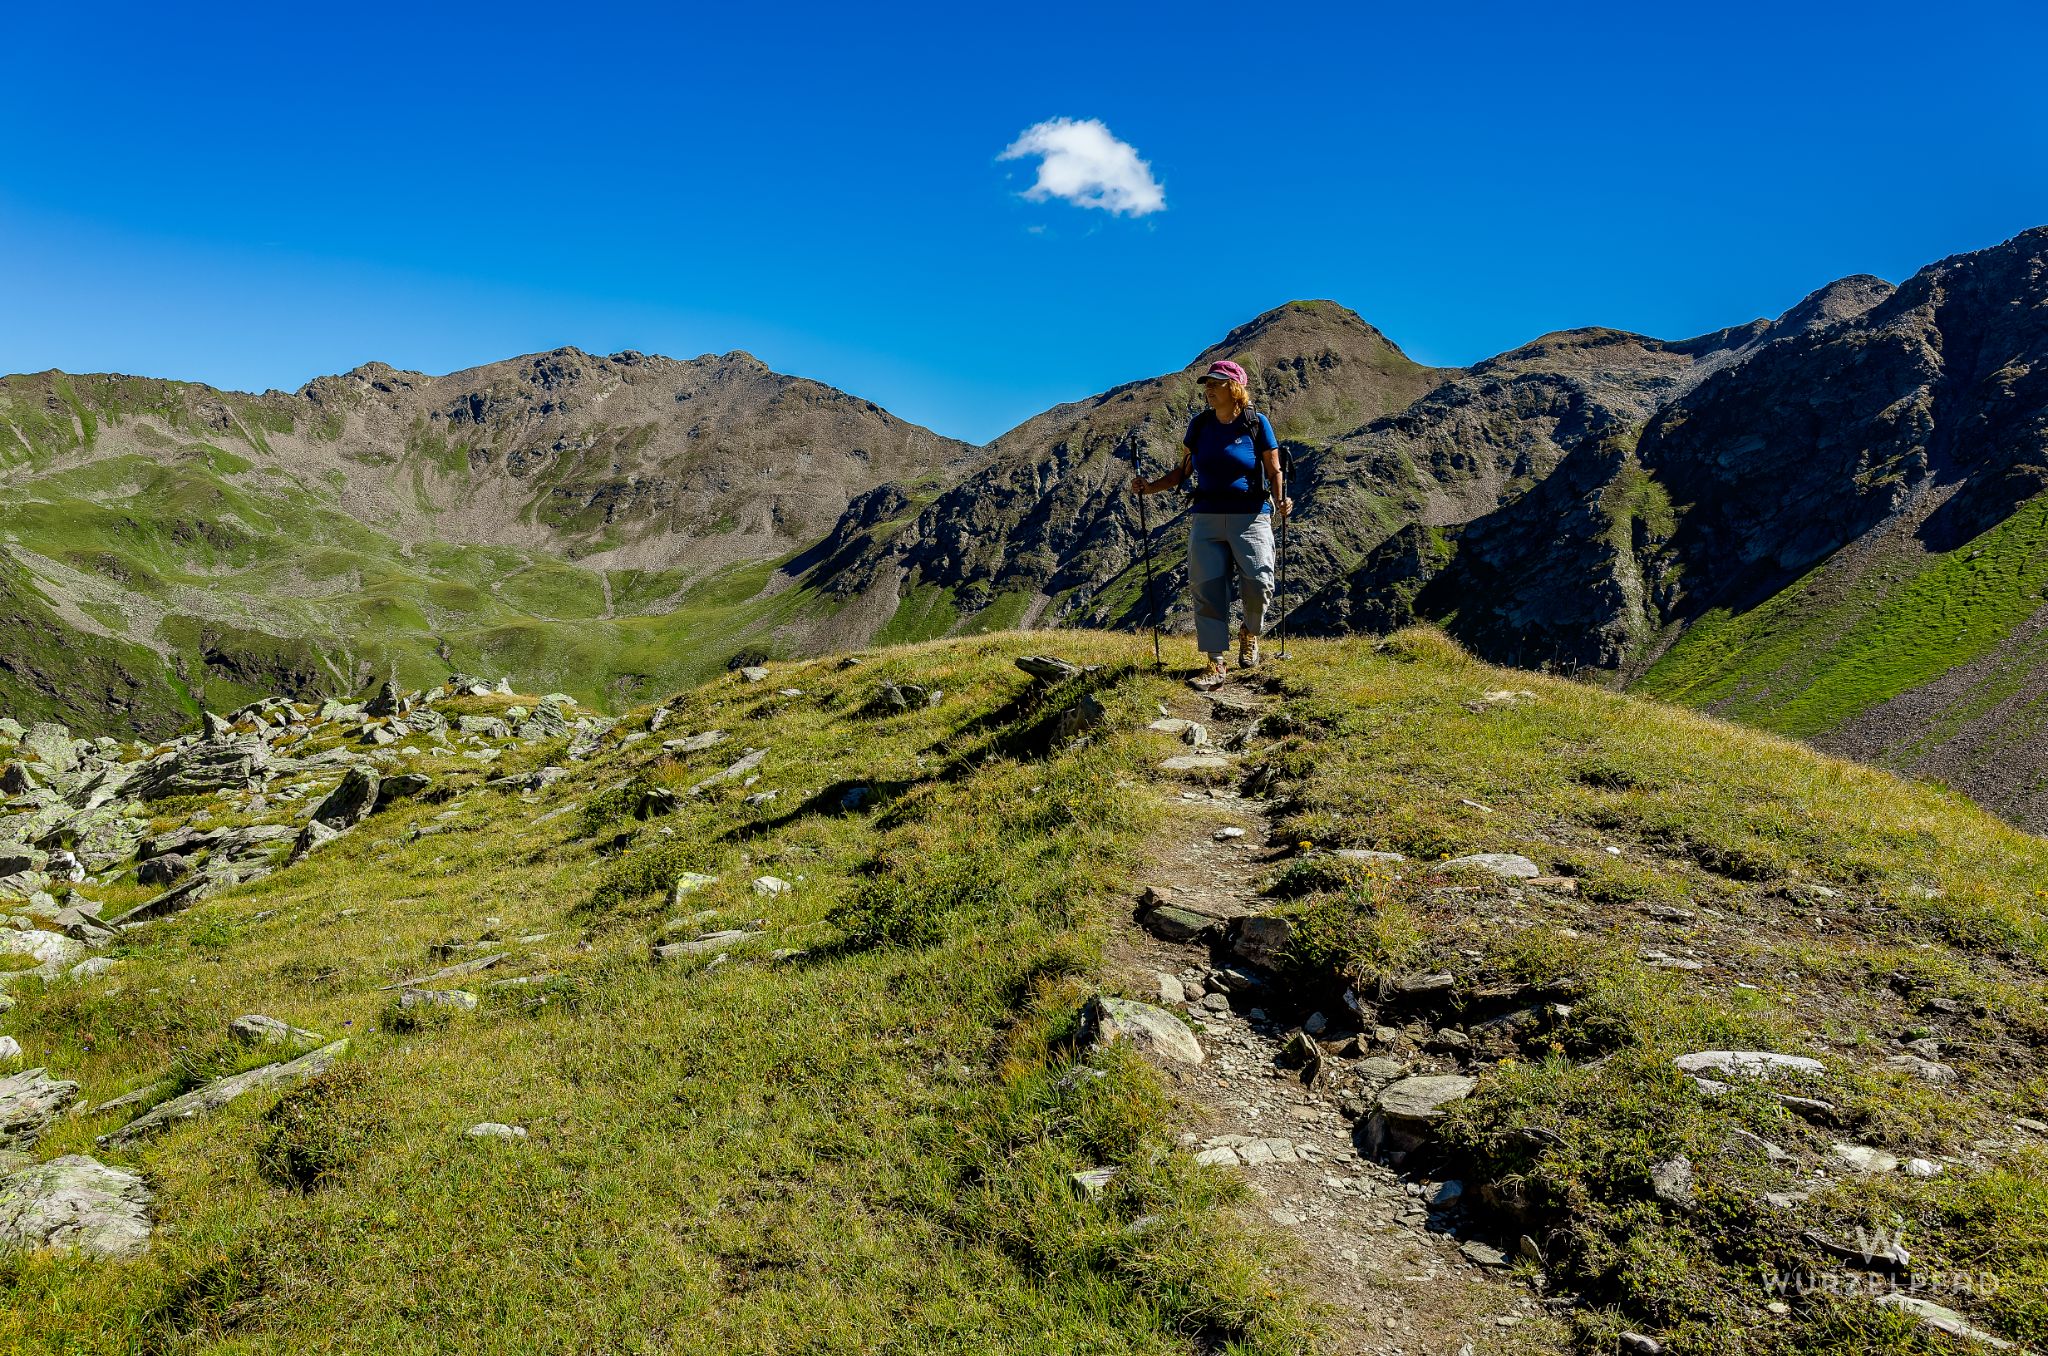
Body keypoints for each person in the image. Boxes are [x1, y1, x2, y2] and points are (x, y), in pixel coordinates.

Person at [1129, 358, 1291, 683]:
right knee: (1207, 588)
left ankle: (1249, 632)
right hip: (1206, 517)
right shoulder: (1200, 426)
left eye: (1216, 384)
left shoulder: (1256, 424)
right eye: (1207, 384)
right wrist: (1150, 488)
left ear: (1235, 388)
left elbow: (1274, 469)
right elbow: (1183, 471)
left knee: (1260, 584)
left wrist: (1281, 498)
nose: (1209, 390)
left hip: (1251, 516)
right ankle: (1215, 663)